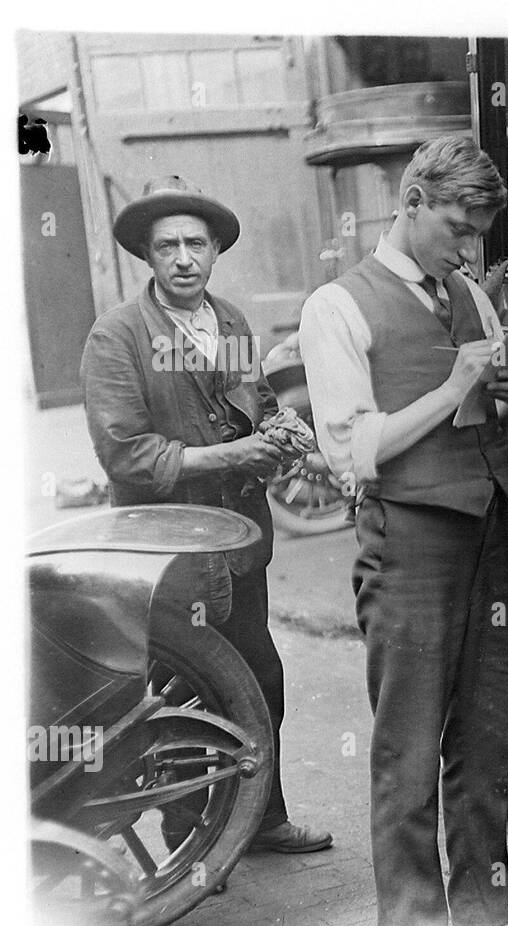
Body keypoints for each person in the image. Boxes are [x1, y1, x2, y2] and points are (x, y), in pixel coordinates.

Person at [297, 136, 508, 926]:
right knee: (409, 750)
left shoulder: (473, 299)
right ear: (412, 201)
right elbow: (353, 452)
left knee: (489, 741)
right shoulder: (337, 307)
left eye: (481, 231)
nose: (470, 248)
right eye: (459, 225)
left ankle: (488, 923)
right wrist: (454, 387)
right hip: (408, 543)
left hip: (489, 534)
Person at [81, 175, 333, 856]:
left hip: (241, 548)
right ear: (148, 256)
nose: (184, 257)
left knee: (260, 682)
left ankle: (262, 818)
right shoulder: (117, 338)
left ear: (217, 248)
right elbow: (130, 458)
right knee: (180, 697)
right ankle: (194, 838)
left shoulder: (231, 323)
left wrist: (286, 433)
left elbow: (258, 402)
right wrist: (237, 452)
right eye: (168, 246)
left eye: (197, 242)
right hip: (167, 557)